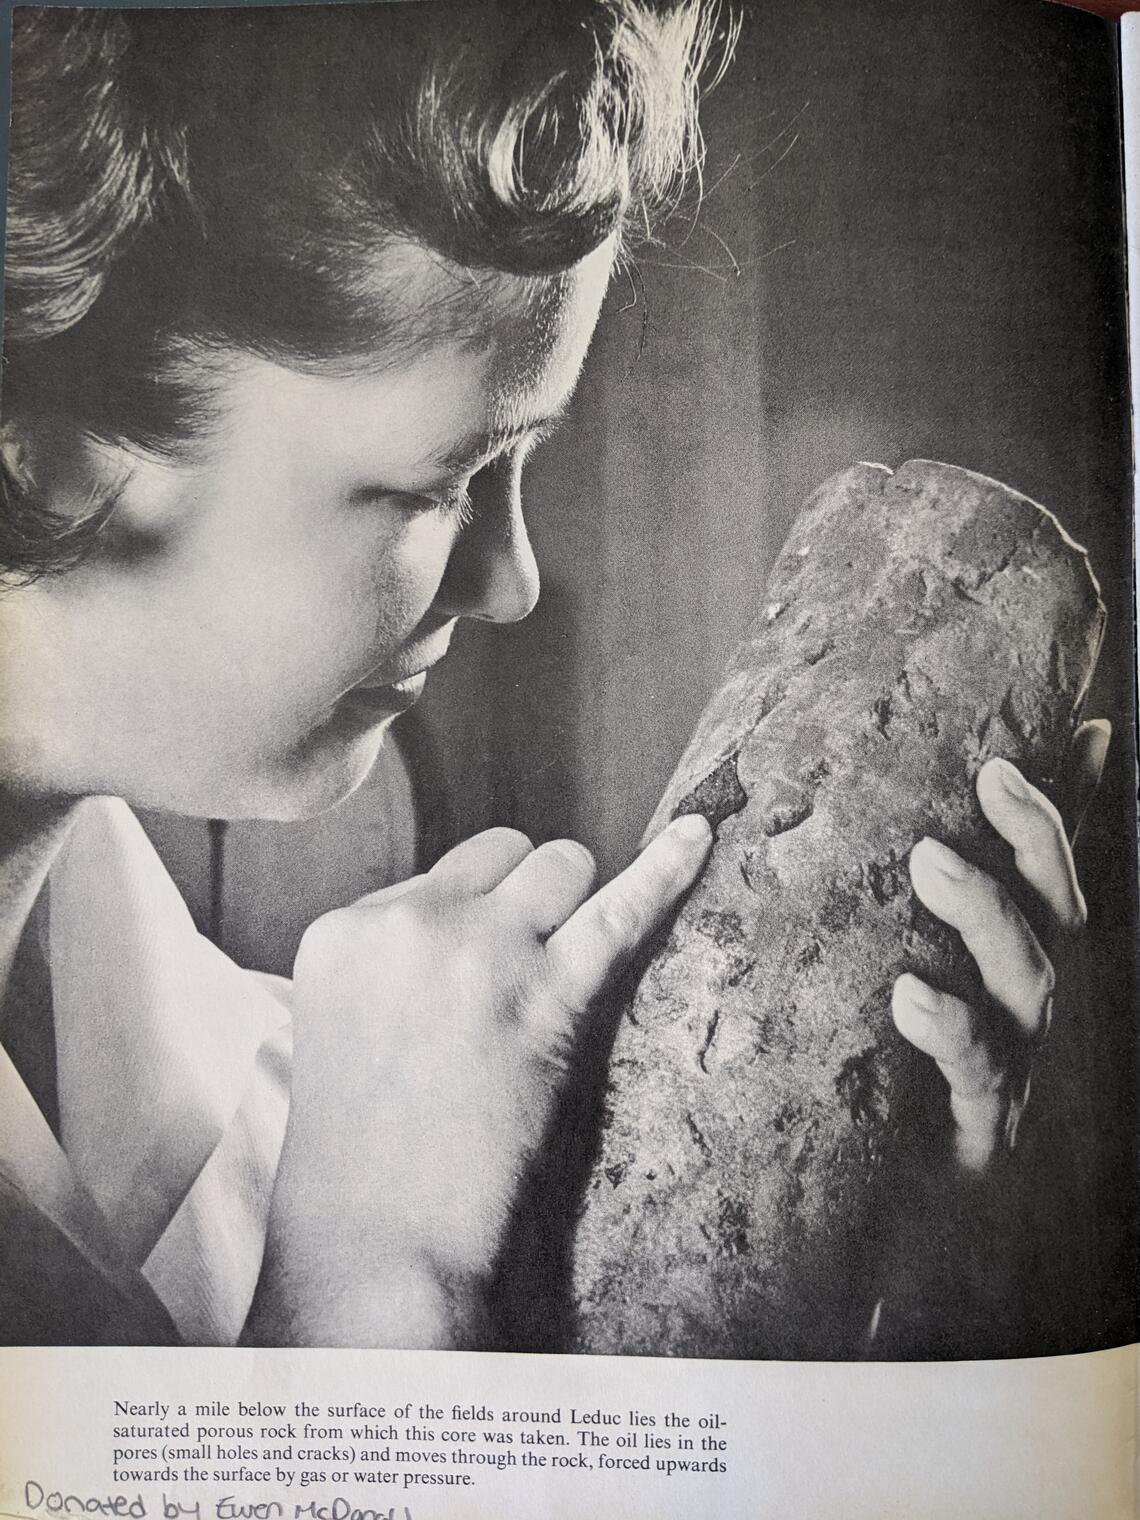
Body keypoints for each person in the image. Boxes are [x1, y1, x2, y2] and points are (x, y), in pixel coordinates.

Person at [0, 0, 1106, 1349]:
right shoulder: (361, 1189)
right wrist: (360, 1294)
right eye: (438, 483)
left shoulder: (323, 1098)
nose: (513, 579)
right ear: (35, 459)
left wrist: (884, 1285)